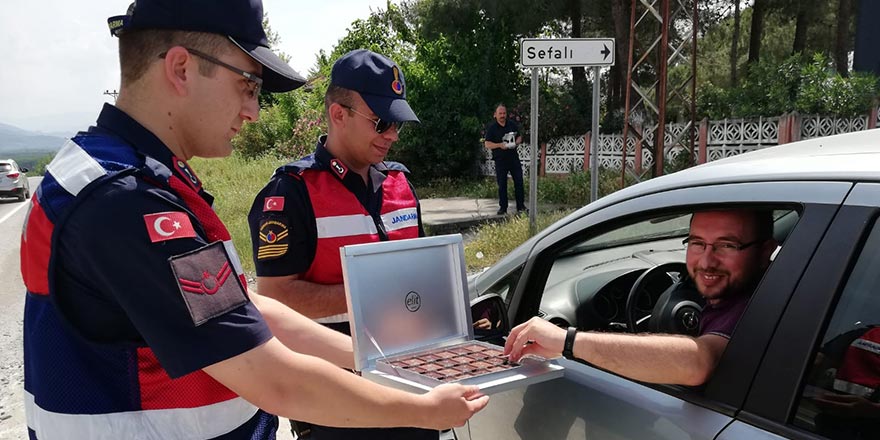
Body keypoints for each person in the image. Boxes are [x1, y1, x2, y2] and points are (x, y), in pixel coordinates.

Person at [19, 2, 488, 439]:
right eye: (248, 85)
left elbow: (242, 307)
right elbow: (276, 381)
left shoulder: (117, 172)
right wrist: (422, 407)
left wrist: (376, 359)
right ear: (181, 68)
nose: (254, 111)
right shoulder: (128, 201)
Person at [247, 50, 433, 439]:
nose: (393, 136)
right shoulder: (291, 194)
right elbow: (275, 298)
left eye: (398, 124)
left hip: (412, 387)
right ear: (338, 114)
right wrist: (372, 295)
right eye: (382, 123)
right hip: (338, 406)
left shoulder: (401, 184)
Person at [504, 209, 778, 386]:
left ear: (766, 251)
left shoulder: (754, 309)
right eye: (697, 243)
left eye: (727, 245)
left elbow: (698, 362)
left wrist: (567, 341)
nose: (706, 261)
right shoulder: (780, 289)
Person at [484, 104, 526, 215]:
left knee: (519, 182)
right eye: (500, 113)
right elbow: (487, 144)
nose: (502, 115)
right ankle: (503, 207)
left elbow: (519, 136)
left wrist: (517, 142)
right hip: (500, 160)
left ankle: (521, 206)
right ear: (495, 115)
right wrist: (499, 145)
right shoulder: (492, 128)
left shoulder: (511, 124)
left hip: (513, 158)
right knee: (502, 184)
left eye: (504, 113)